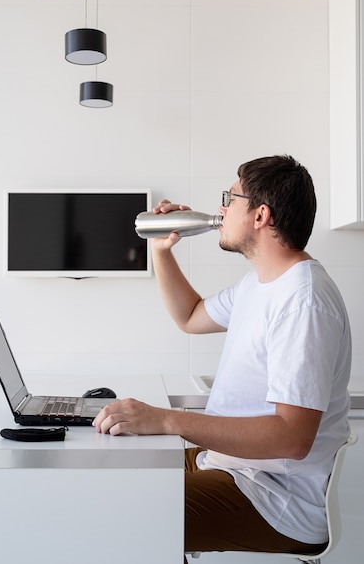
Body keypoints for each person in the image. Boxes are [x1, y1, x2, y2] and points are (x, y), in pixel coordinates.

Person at [93, 154, 352, 559]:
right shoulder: (260, 283)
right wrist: (162, 250)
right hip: (229, 465)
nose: (220, 209)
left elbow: (292, 437)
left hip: (271, 498)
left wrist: (165, 420)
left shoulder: (304, 301)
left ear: (260, 215)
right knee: (99, 481)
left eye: (229, 199)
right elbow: (191, 316)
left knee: (113, 514)